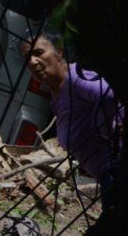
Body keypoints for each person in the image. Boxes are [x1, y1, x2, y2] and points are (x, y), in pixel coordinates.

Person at [19, 30, 122, 208]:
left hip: (119, 170)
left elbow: (108, 95)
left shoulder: (75, 79)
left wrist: (103, 129)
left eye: (38, 53)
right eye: (27, 57)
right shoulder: (57, 94)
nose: (32, 62)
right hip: (107, 172)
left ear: (59, 52)